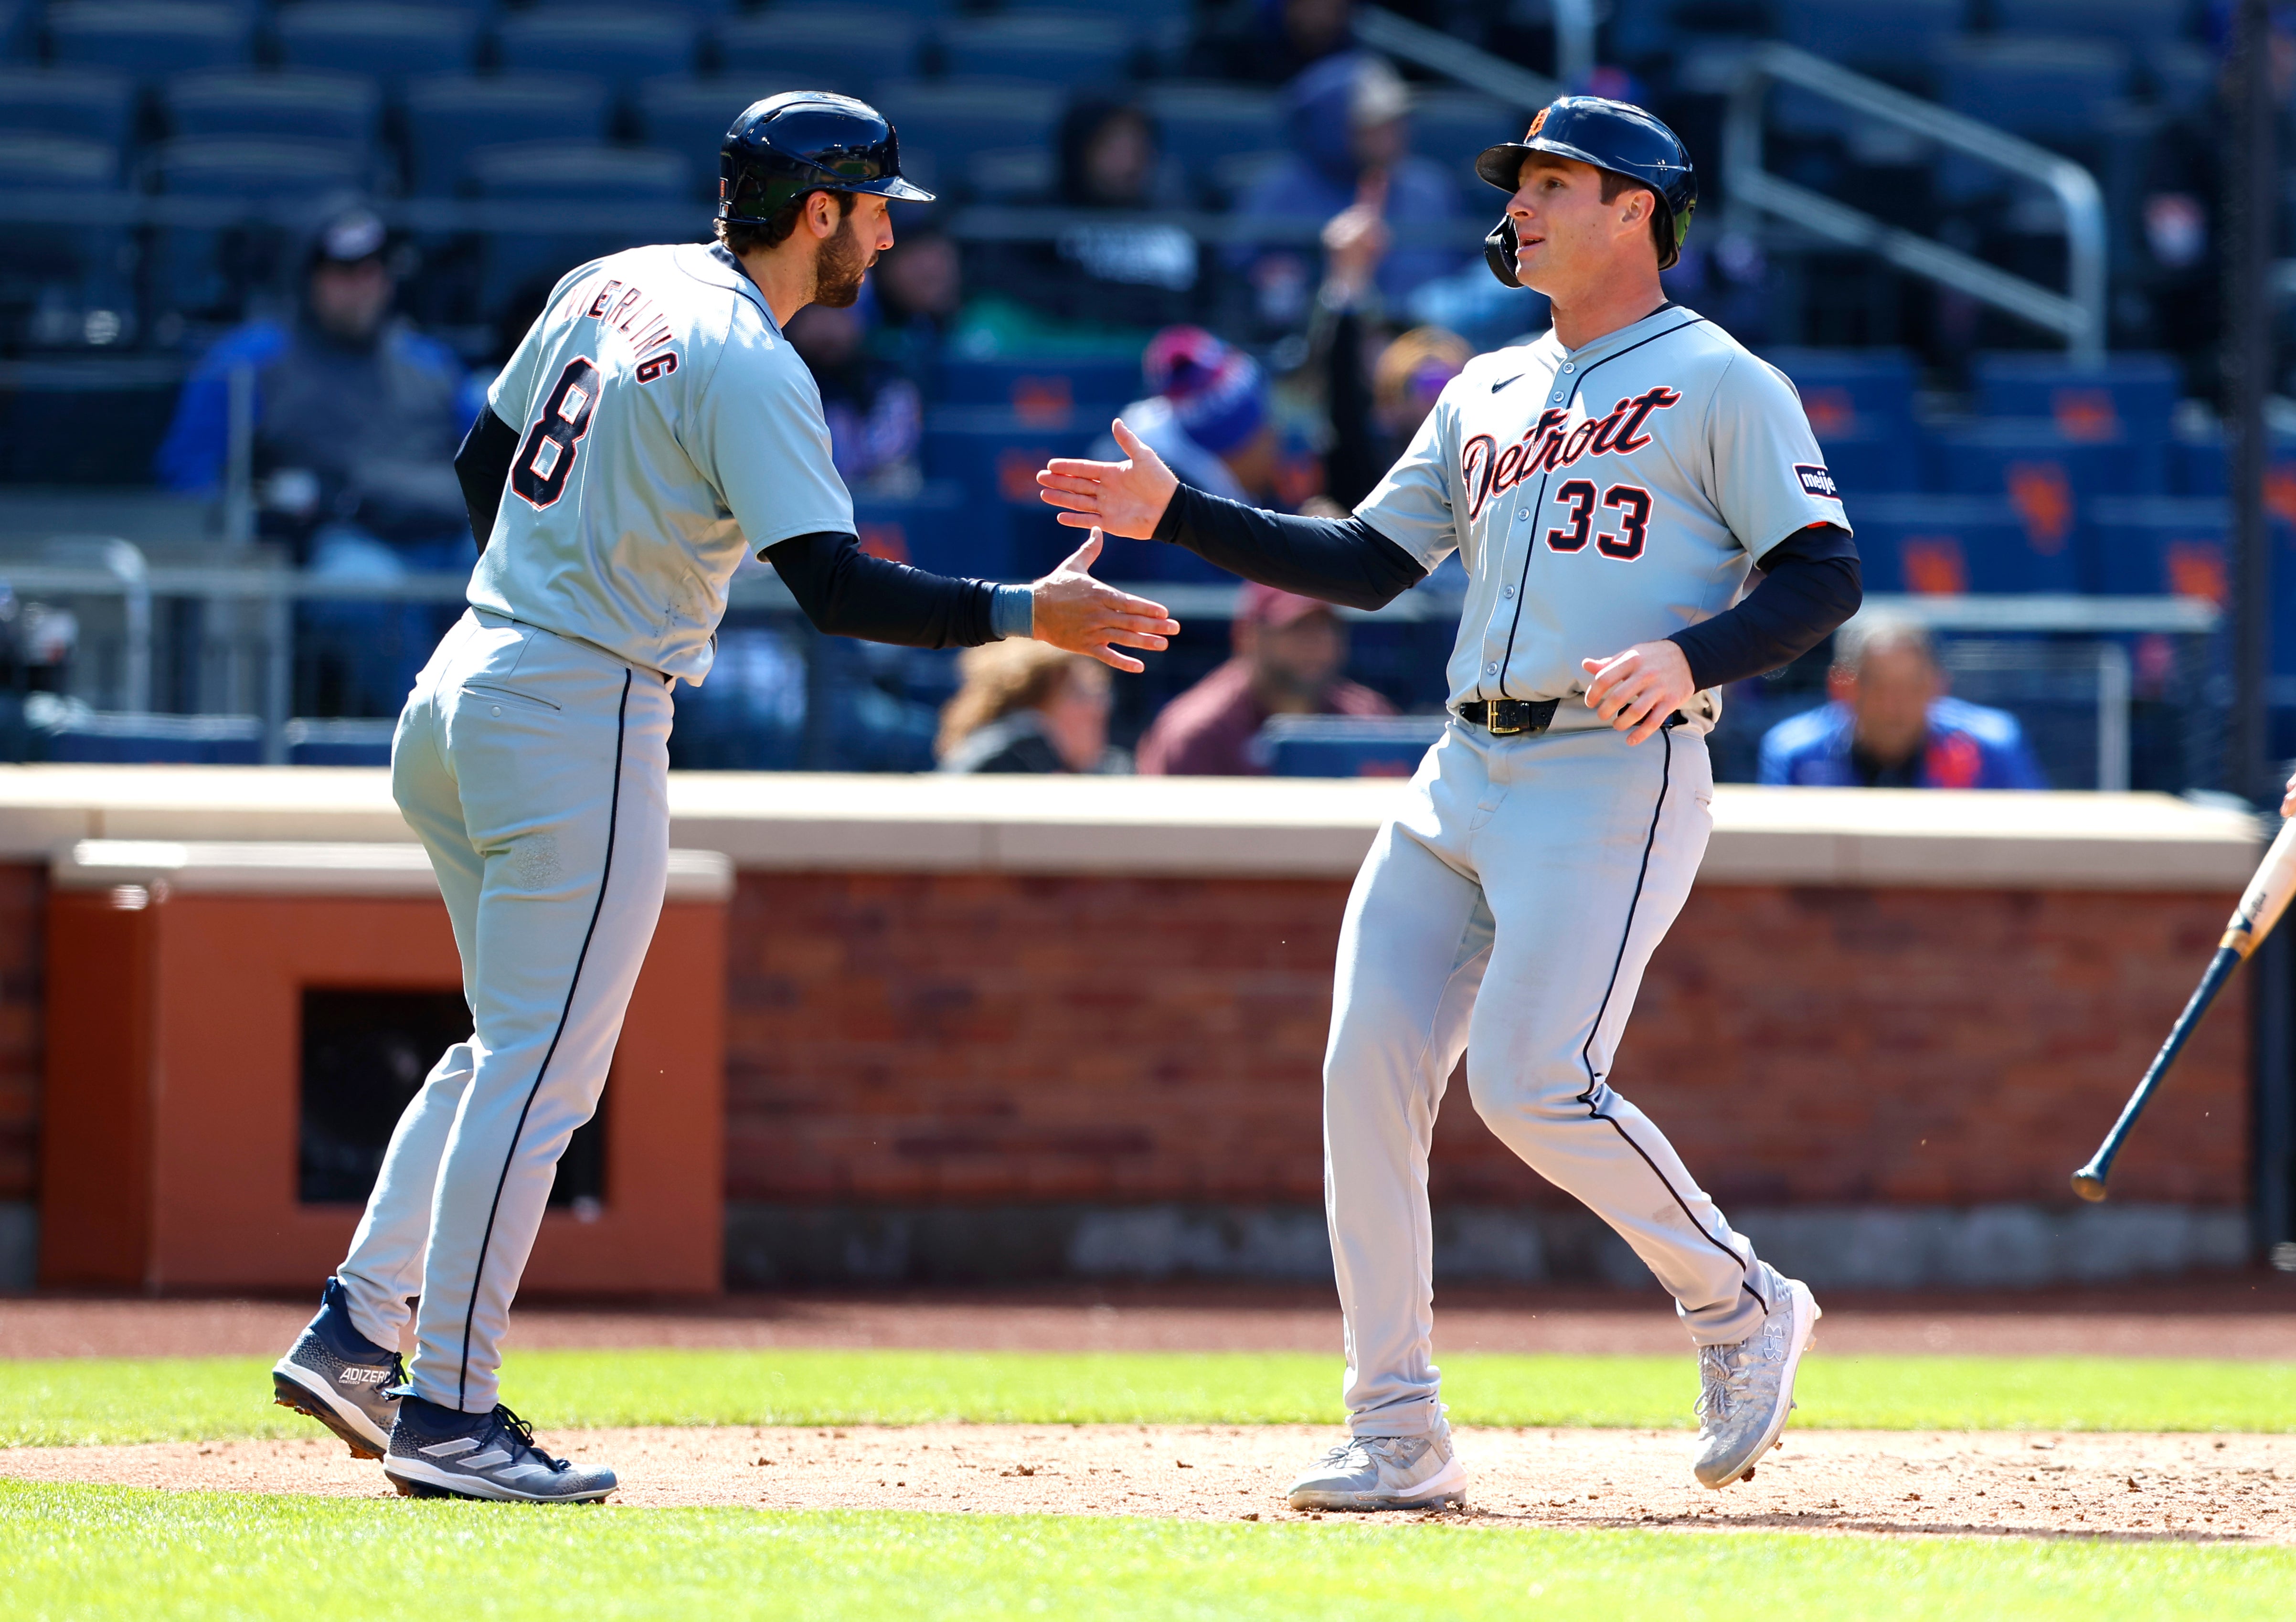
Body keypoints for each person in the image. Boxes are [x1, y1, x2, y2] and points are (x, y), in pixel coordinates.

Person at [266, 92, 1178, 1505]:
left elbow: (480, 462)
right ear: (818, 212)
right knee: (540, 1068)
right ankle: (449, 1403)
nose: (885, 232)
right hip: (576, 701)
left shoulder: (612, 278)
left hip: (463, 676)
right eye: (875, 206)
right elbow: (837, 588)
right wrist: (1024, 610)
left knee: (502, 1046)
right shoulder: (753, 361)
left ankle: (356, 1329)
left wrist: (553, 588)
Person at [1038, 96, 1863, 1508]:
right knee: (1364, 1068)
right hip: (1458, 770)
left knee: (1533, 1083)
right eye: (1520, 181)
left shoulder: (1725, 379)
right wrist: (1177, 514)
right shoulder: (1483, 386)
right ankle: (1396, 1430)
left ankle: (1739, 1305)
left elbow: (1820, 576)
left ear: (1638, 208)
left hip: (1611, 767)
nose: (1522, 203)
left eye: (1556, 181)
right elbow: (1367, 563)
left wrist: (1691, 652)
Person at [155, 205, 474, 713]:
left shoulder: (428, 363)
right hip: (336, 540)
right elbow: (189, 476)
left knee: (511, 577)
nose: (361, 285)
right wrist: (259, 525)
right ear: (309, 277)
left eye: (372, 270)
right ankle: (425, 742)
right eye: (343, 272)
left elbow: (486, 471)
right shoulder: (251, 361)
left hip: (440, 534)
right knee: (368, 588)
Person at [1233, 53, 1463, 327]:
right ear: (1333, 128)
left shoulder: (1431, 188)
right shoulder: (1278, 191)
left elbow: (1463, 276)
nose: (1394, 134)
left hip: (1425, 351)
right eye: (1374, 125)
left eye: (1397, 121)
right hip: (1315, 343)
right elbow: (1244, 282)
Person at [1137, 580, 1392, 775]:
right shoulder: (1198, 734)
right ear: (1248, 636)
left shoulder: (1368, 721)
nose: (1317, 643)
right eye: (1298, 629)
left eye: (1326, 627)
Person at [1757, 616, 2045, 789]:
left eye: (1912, 687)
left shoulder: (1993, 747)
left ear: (1938, 686)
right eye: (1879, 687)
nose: (1895, 706)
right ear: (1842, 687)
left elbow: (2036, 842)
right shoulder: (1794, 754)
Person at [786, 299, 922, 495]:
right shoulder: (778, 388)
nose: (827, 327)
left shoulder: (888, 387)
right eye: (814, 314)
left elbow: (887, 460)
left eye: (838, 313)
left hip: (870, 512)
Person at [937, 638, 1125, 774]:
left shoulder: (1111, 771)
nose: (1099, 708)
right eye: (1079, 695)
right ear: (1027, 704)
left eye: (1100, 694)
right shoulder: (995, 763)